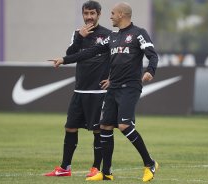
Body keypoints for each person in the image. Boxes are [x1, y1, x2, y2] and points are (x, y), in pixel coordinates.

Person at [49, 2, 159, 182]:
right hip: (113, 88)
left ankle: (150, 163)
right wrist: (64, 59)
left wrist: (150, 71)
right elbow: (89, 52)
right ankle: (106, 172)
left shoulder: (138, 33)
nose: (110, 16)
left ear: (122, 15)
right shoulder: (113, 37)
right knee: (105, 127)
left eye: (113, 13)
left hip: (130, 87)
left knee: (124, 126)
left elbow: (152, 54)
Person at [44, 0, 111, 178]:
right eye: (86, 13)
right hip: (80, 90)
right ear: (82, 14)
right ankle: (65, 167)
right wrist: (80, 37)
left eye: (92, 13)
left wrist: (112, 78)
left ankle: (96, 168)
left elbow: (116, 60)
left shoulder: (108, 35)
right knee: (70, 128)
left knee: (98, 130)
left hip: (98, 92)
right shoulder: (76, 34)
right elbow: (72, 53)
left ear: (99, 14)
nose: (89, 17)